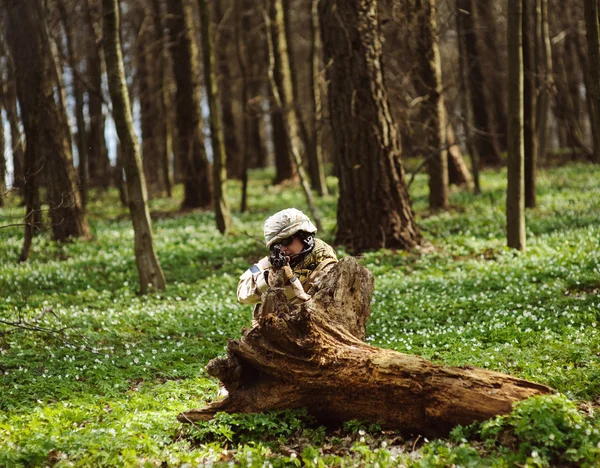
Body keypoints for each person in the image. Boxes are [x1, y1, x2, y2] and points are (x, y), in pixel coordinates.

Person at [237, 208, 338, 309]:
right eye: (276, 246)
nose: (282, 249)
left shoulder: (327, 268)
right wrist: (266, 280)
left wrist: (291, 281)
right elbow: (241, 293)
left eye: (286, 241)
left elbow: (323, 312)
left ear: (304, 236)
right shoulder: (272, 262)